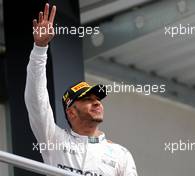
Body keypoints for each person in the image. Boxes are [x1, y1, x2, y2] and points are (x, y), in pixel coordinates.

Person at [24, 3, 138, 176]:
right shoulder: (54, 141)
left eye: (97, 99)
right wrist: (40, 48)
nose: (96, 103)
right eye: (87, 99)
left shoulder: (120, 154)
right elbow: (36, 100)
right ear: (71, 112)